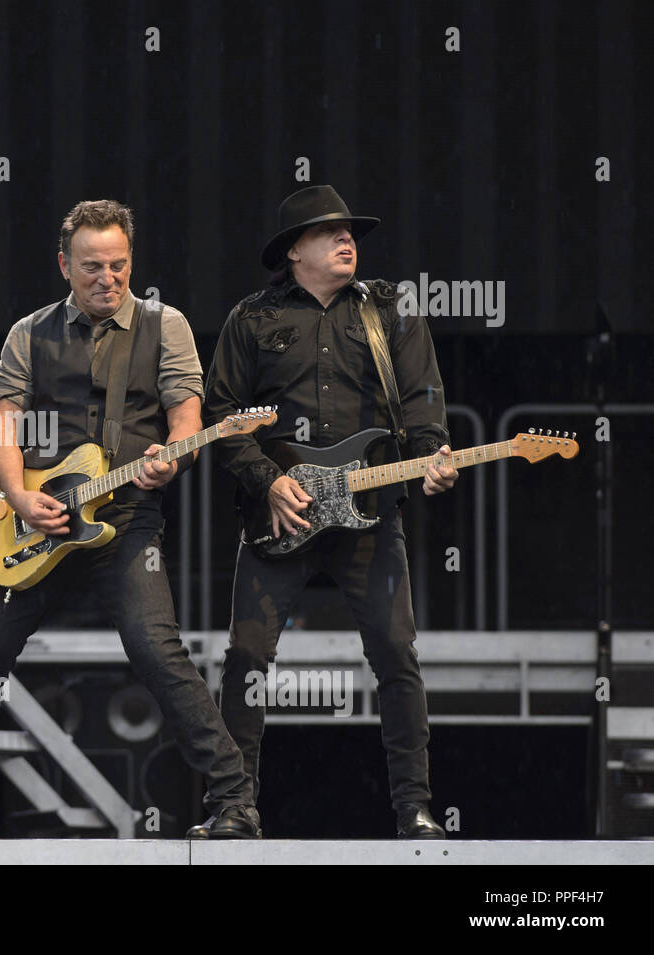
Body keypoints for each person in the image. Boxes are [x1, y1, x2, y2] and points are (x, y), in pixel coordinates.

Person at [0, 199, 259, 839]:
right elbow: (2, 427)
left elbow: (186, 415)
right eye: (92, 267)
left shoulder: (162, 324)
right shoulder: (28, 332)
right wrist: (16, 497)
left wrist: (168, 460)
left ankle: (236, 804)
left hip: (128, 515)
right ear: (64, 265)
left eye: (119, 266)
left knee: (157, 650)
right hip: (39, 521)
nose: (107, 279)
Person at [202, 184, 457, 839]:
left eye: (351, 232)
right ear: (294, 251)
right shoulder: (251, 318)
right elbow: (219, 416)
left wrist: (432, 453)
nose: (348, 241)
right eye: (328, 232)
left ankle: (415, 808)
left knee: (397, 653)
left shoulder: (389, 308)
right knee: (248, 657)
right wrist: (268, 482)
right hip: (279, 516)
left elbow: (423, 394)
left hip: (370, 513)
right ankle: (235, 806)